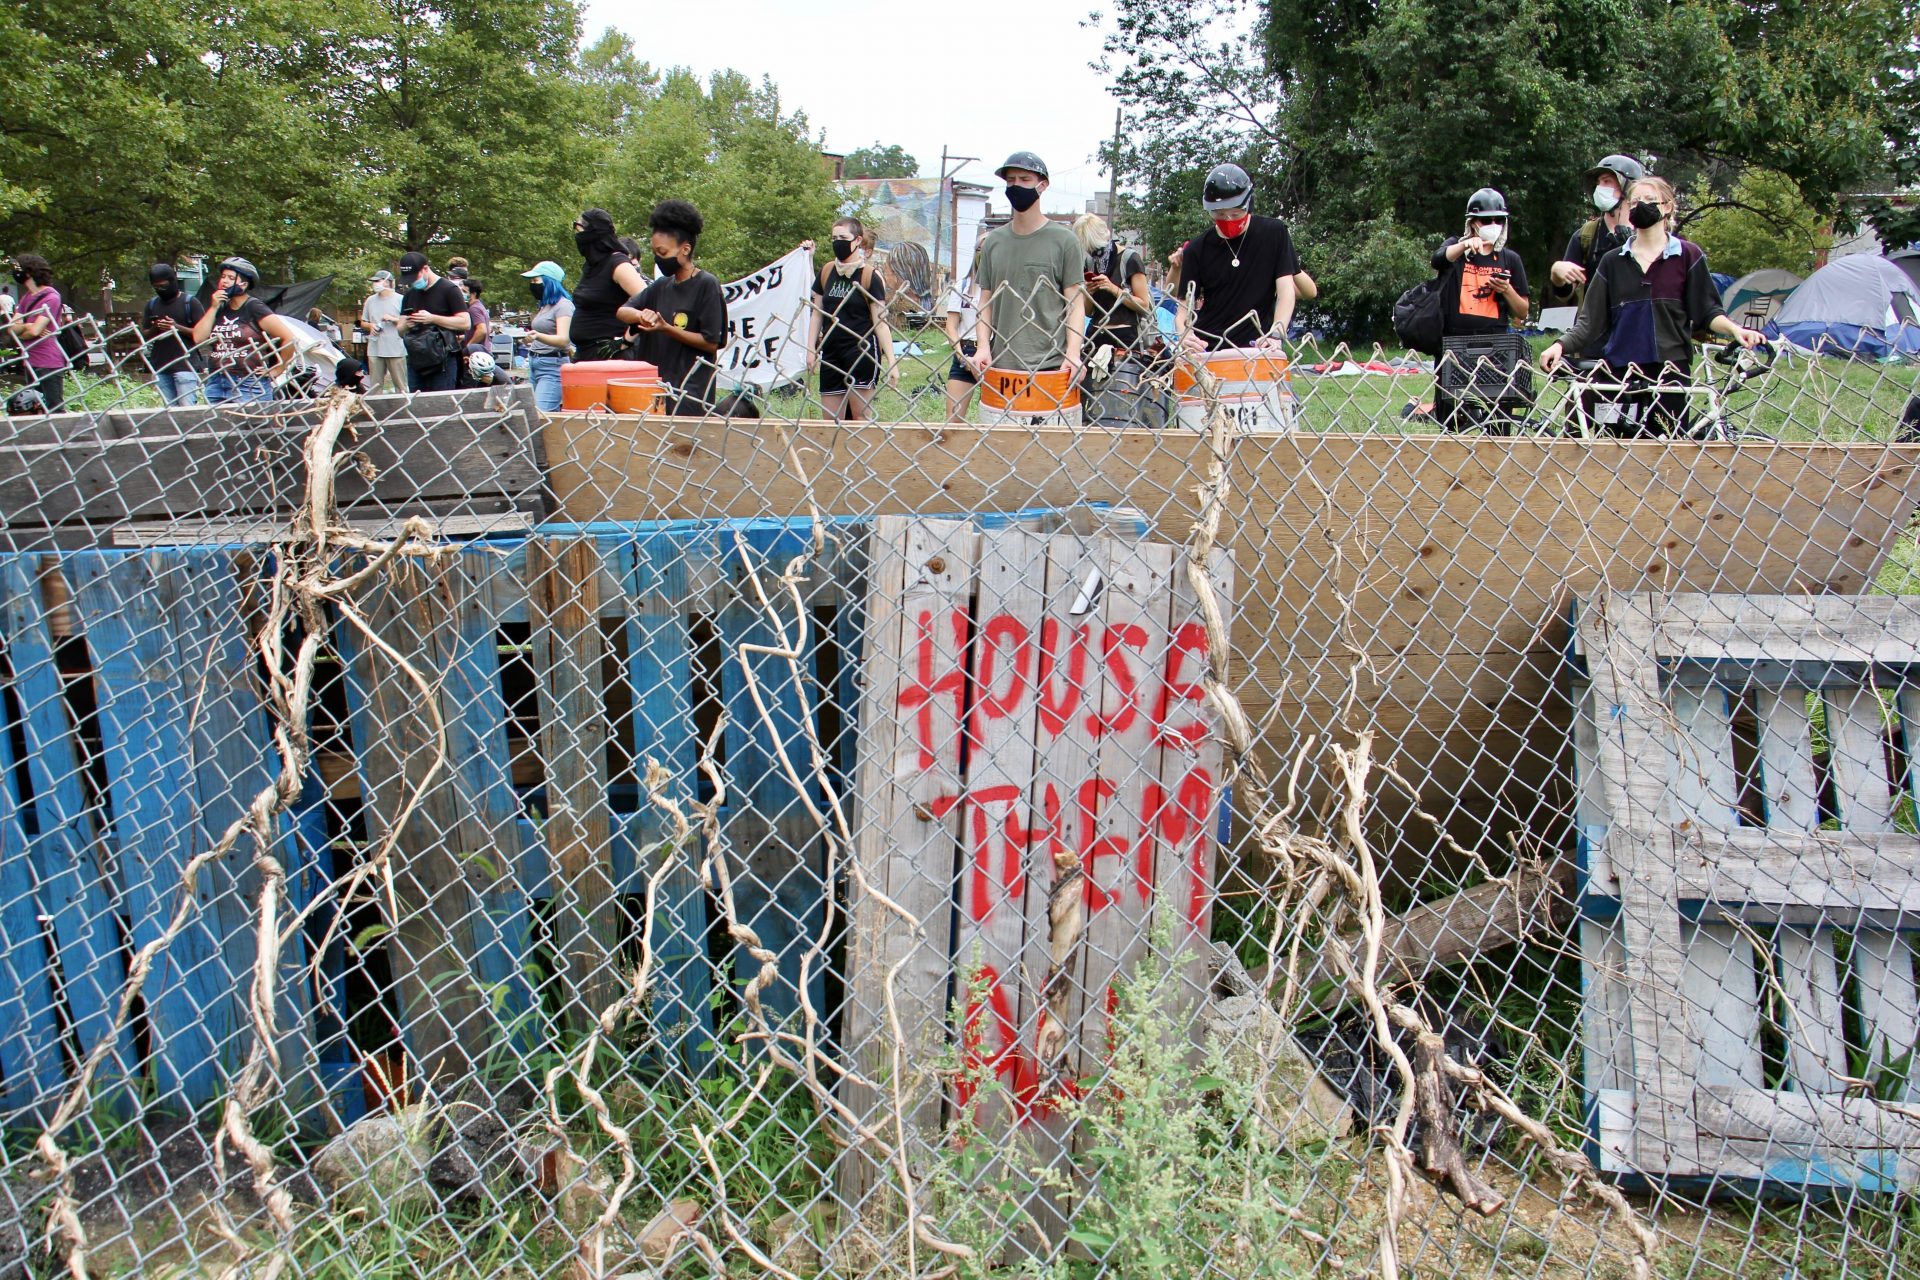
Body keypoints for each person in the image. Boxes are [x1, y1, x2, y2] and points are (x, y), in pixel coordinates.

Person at [1539, 176, 1765, 436]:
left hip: (1669, 372)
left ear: (1667, 206)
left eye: (1649, 200)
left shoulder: (1688, 255)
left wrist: (1736, 330)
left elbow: (1708, 311)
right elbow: (1590, 323)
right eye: (1635, 201)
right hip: (1618, 373)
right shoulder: (1613, 262)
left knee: (1664, 452)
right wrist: (1560, 345)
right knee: (1610, 451)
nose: (1641, 206)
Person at [972, 151, 1086, 406]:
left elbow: (1075, 303)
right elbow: (985, 301)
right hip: (1002, 366)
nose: (1016, 186)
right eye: (1010, 180)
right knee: (1002, 444)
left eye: (1024, 179)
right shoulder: (994, 243)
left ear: (1042, 185)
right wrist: (982, 347)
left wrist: (1073, 353)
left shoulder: (1064, 240)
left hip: (1052, 367)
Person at [1429, 189, 1532, 430]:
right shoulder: (1457, 249)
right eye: (1487, 220)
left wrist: (1506, 290)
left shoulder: (1510, 258)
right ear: (1473, 222)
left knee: (1499, 418)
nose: (1493, 225)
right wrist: (1464, 245)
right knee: (1451, 418)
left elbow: (1522, 311)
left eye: (1499, 220)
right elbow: (1437, 259)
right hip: (1455, 345)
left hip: (1496, 347)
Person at [616, 199, 728, 415]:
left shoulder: (706, 285)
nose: (658, 258)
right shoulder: (660, 286)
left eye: (663, 252)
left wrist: (666, 328)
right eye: (655, 252)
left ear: (685, 249)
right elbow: (623, 311)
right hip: (652, 390)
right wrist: (641, 316)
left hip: (689, 393)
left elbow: (711, 342)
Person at [1177, 162, 1300, 352]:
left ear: (1248, 204)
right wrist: (1185, 334)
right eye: (1220, 214)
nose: (1228, 220)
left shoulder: (1274, 233)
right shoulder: (1196, 249)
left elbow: (1286, 290)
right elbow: (1183, 307)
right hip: (1210, 347)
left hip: (1259, 345)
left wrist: (1277, 333)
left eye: (1235, 213)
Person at [809, 216, 896, 421]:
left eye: (843, 237)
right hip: (831, 352)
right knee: (831, 421)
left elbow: (880, 323)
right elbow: (816, 312)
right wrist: (810, 348)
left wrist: (892, 360)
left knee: (860, 418)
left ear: (857, 240)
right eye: (834, 238)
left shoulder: (869, 276)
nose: (838, 242)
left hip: (861, 351)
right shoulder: (827, 271)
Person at [189, 257, 298, 404]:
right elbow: (198, 338)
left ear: (244, 284)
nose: (224, 281)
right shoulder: (219, 307)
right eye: (223, 277)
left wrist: (278, 368)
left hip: (248, 382)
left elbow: (289, 338)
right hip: (217, 380)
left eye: (231, 278)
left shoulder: (254, 307)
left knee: (252, 425)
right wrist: (214, 307)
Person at [1544, 153, 1645, 309]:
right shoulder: (1586, 235)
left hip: (1635, 323)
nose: (1600, 188)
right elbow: (1564, 294)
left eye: (1607, 181)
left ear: (1628, 187)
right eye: (1598, 183)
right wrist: (1556, 274)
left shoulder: (1647, 233)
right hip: (1595, 326)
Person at [570, 209, 647, 362]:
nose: (577, 235)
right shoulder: (592, 266)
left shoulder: (618, 264)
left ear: (592, 232)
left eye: (579, 228)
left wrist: (624, 341)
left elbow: (651, 302)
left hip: (608, 357)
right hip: (585, 355)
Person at [394, 251, 470, 392]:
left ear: (425, 269)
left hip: (443, 360)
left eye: (414, 277)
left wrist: (433, 318)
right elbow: (399, 330)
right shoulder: (410, 294)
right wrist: (406, 325)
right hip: (417, 360)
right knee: (419, 406)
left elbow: (465, 322)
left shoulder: (449, 289)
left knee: (443, 404)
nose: (412, 282)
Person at [5, 254, 70, 411]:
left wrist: (25, 328)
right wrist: (28, 327)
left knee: (55, 409)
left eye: (18, 269)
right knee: (35, 408)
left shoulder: (51, 297)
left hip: (48, 362)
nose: (15, 273)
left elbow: (34, 331)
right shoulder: (26, 297)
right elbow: (12, 329)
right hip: (30, 360)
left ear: (29, 272)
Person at [141, 262, 206, 407]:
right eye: (156, 287)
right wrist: (155, 328)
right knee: (169, 411)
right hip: (161, 366)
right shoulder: (151, 305)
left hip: (185, 366)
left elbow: (202, 335)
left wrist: (176, 327)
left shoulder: (190, 303)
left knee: (186, 411)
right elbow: (144, 335)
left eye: (163, 285)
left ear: (173, 281)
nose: (160, 290)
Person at [520, 259, 575, 412]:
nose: (532, 284)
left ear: (549, 281)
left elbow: (564, 340)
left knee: (541, 415)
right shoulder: (545, 306)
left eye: (536, 280)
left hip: (552, 366)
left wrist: (538, 336)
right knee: (531, 413)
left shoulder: (563, 305)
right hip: (534, 363)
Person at [360, 270, 408, 393]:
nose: (375, 284)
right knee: (375, 387)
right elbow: (363, 322)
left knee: (401, 386)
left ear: (387, 282)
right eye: (374, 282)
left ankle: (403, 409)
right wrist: (370, 326)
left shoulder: (401, 299)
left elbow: (408, 322)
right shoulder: (370, 300)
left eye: (377, 281)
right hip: (375, 347)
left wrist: (393, 319)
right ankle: (377, 411)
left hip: (395, 348)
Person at [944, 273, 980, 422]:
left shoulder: (1002, 285)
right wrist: (962, 358)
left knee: (996, 416)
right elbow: (951, 327)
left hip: (995, 351)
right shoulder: (963, 286)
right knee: (953, 420)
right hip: (967, 350)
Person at [457, 278, 491, 388]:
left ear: (473, 294)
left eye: (464, 291)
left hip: (475, 357)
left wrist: (468, 346)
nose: (461, 294)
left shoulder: (474, 309)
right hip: (483, 353)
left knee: (469, 388)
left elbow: (482, 330)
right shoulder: (480, 306)